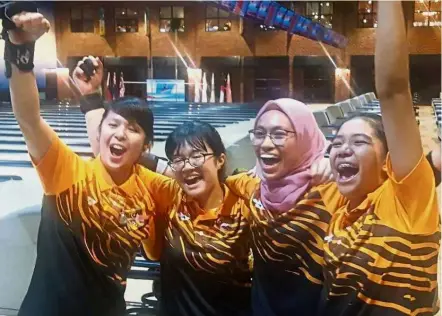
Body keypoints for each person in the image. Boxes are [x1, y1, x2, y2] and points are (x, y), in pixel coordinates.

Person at [73, 58, 335, 316]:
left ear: (220, 159)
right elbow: (114, 157)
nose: (188, 166)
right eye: (179, 159)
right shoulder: (171, 193)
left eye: (198, 156)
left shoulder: (244, 196)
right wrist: (92, 100)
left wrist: (329, 163)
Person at [5, 10, 175, 316]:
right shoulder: (67, 172)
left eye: (133, 129)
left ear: (146, 145)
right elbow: (29, 120)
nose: (120, 133)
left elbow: (156, 246)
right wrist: (21, 52)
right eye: (113, 125)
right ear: (102, 130)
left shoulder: (152, 189)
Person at [319, 2, 440, 315]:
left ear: (389, 162)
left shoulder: (405, 203)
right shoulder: (338, 206)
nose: (342, 149)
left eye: (359, 141)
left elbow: (393, 90)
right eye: (337, 142)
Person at [225, 98, 346, 316]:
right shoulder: (253, 187)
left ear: (304, 138)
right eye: (259, 134)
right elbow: (215, 178)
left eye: (279, 135)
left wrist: (335, 163)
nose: (266, 144)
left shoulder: (333, 191)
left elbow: (390, 180)